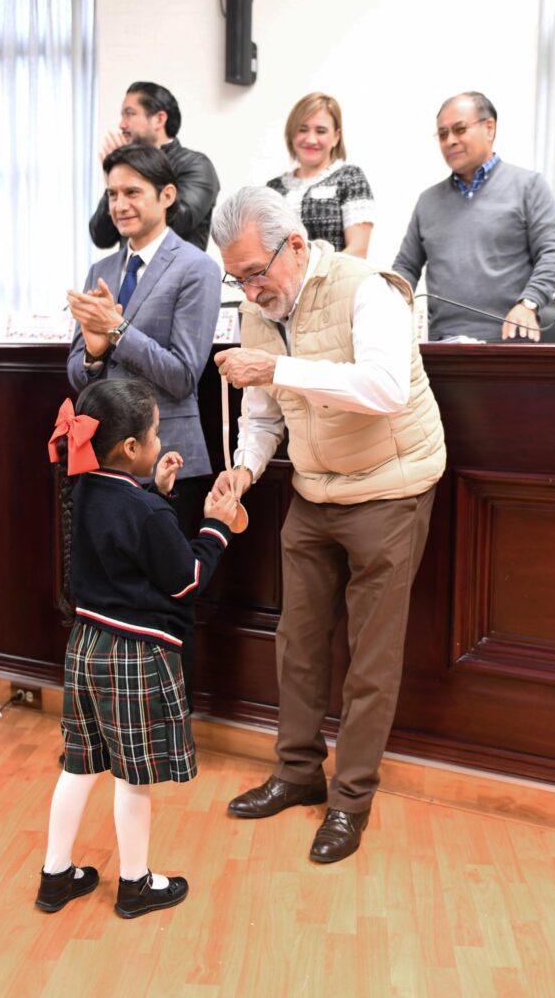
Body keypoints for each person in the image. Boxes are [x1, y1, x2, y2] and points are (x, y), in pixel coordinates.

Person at [210, 187, 446, 864]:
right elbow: (262, 415)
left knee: (370, 660)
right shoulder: (262, 307)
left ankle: (350, 802)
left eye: (257, 272)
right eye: (238, 277)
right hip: (314, 491)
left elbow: (383, 388)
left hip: (390, 488)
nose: (251, 289)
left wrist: (278, 367)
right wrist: (246, 471)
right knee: (299, 642)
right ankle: (295, 772)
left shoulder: (368, 288)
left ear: (294, 246)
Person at [36, 378, 237, 918]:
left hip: (85, 646)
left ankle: (55, 876)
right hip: (135, 657)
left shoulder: (87, 488)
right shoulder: (147, 514)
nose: (158, 439)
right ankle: (135, 883)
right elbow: (185, 577)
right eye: (155, 433)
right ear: (131, 449)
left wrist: (159, 489)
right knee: (132, 776)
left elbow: (123, 536)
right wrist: (215, 527)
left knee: (78, 766)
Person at [68, 143, 220, 542]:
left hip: (167, 458)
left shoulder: (197, 268)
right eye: (112, 194)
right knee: (108, 587)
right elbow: (78, 373)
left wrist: (118, 331)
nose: (119, 205)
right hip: (103, 459)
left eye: (132, 192)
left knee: (164, 590)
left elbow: (183, 375)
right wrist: (95, 352)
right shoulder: (100, 270)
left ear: (167, 195)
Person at [392, 91, 555, 342]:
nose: (450, 141)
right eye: (442, 134)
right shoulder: (428, 201)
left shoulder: (529, 186)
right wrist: (388, 305)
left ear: (489, 128)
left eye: (459, 129)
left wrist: (529, 303)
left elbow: (554, 254)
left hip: (511, 344)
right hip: (442, 347)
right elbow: (405, 268)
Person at [89, 81, 220, 252]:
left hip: (180, 276)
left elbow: (179, 223)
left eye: (130, 114)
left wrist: (134, 170)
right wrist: (115, 182)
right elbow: (100, 237)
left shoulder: (196, 164)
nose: (122, 125)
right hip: (130, 275)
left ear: (159, 119)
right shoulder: (125, 169)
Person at [266, 92, 375, 258]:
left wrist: (315, 277)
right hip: (279, 284)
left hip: (333, 282)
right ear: (291, 134)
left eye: (321, 131)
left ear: (336, 137)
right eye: (302, 129)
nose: (310, 139)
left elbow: (357, 251)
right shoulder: (273, 189)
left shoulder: (350, 179)